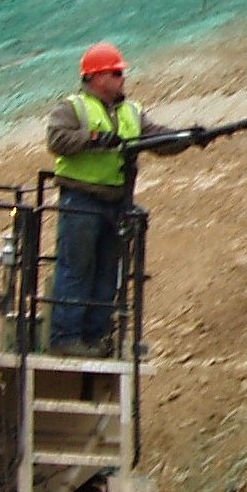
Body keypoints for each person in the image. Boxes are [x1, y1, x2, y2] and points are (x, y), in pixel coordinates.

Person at [45, 41, 203, 357]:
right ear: (96, 76)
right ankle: (66, 338)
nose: (122, 78)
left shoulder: (131, 111)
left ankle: (95, 338)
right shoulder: (72, 107)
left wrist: (188, 137)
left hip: (115, 203)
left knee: (107, 272)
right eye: (116, 73)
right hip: (81, 200)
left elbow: (155, 138)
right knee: (76, 269)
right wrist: (91, 139)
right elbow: (56, 139)